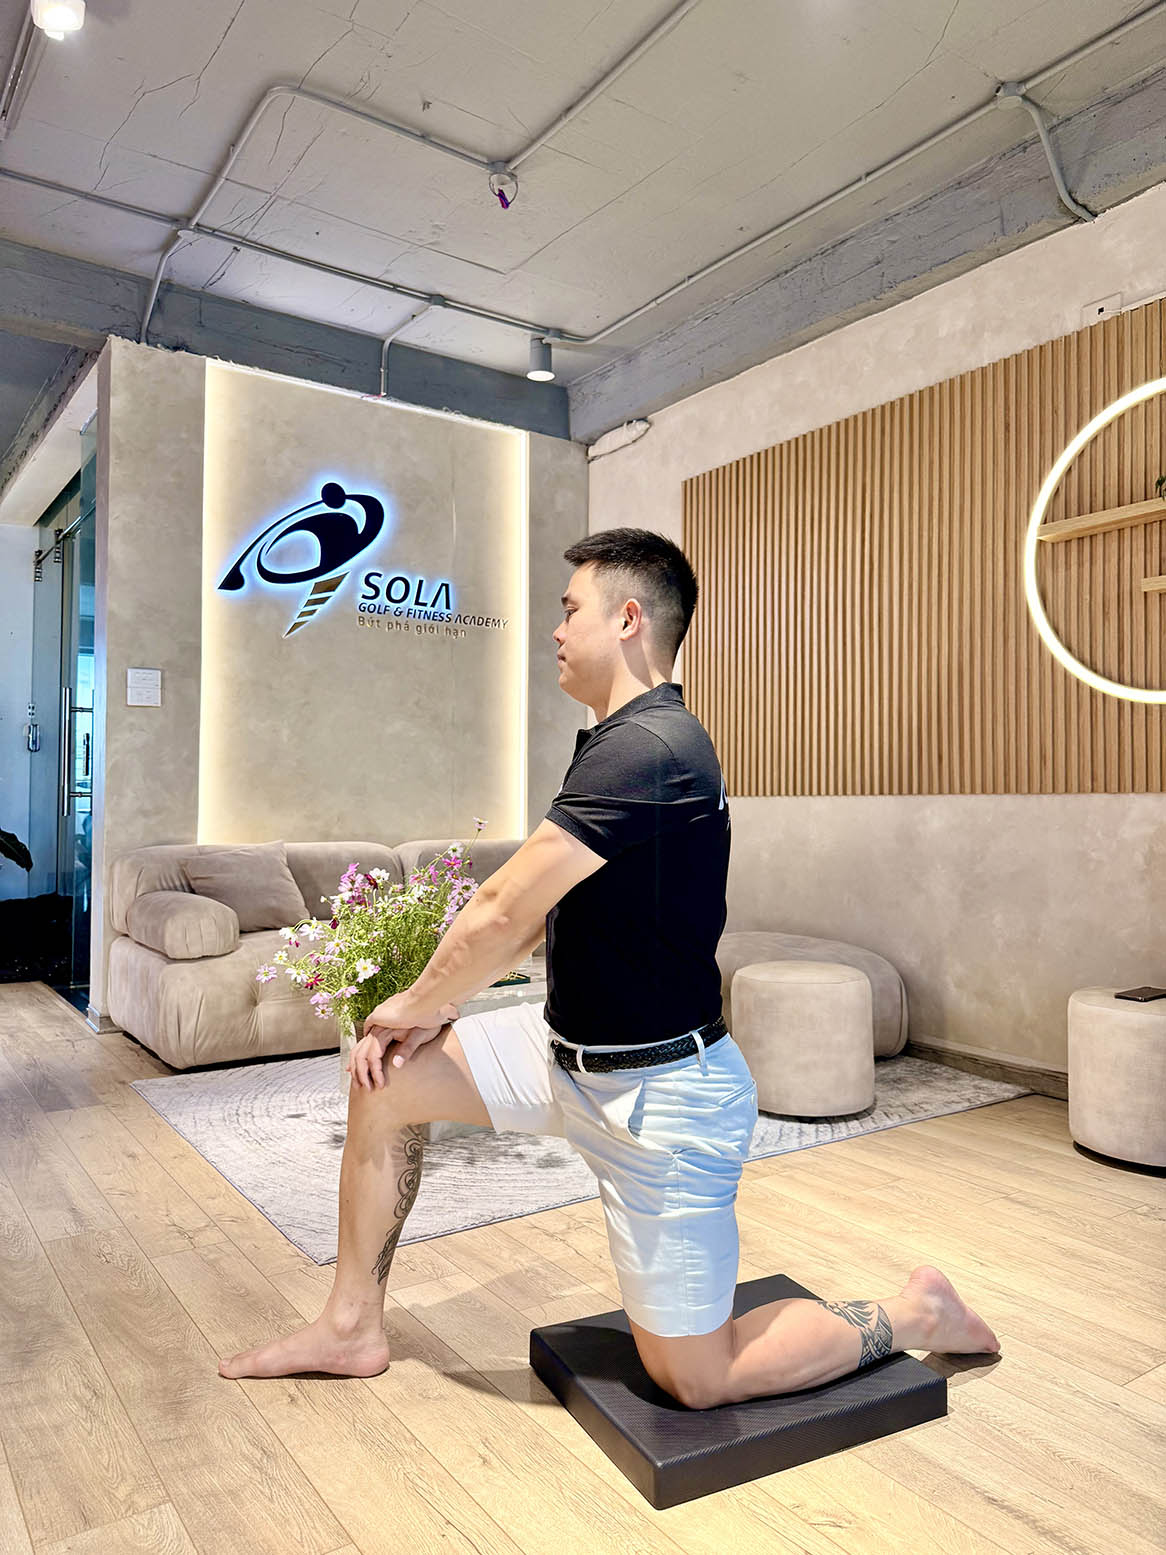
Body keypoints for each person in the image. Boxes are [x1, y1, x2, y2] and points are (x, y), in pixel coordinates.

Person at [219, 528, 999, 1406]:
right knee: (385, 1079)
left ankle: (917, 1310)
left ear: (628, 619)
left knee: (698, 1377)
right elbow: (536, 912)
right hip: (563, 1054)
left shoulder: (653, 747)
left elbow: (502, 907)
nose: (555, 630)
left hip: (664, 1098)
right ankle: (350, 1324)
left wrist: (416, 999)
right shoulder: (613, 741)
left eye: (569, 609)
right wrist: (432, 1012)